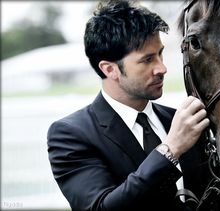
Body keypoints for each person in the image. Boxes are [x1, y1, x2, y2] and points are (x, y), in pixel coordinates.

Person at [47, 0, 211, 210]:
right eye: (147, 59)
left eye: (160, 53)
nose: (162, 68)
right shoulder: (70, 134)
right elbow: (100, 207)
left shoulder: (182, 122)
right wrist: (171, 149)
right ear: (109, 70)